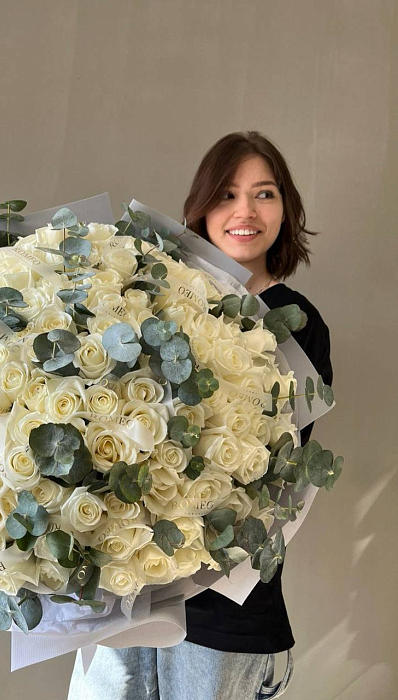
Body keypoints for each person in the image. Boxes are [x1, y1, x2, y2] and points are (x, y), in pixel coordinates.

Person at [67, 131, 333, 700]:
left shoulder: (299, 325)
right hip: (127, 593)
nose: (244, 211)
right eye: (227, 194)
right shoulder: (152, 297)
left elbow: (278, 475)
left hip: (227, 612)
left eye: (264, 194)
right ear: (201, 207)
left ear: (285, 210)